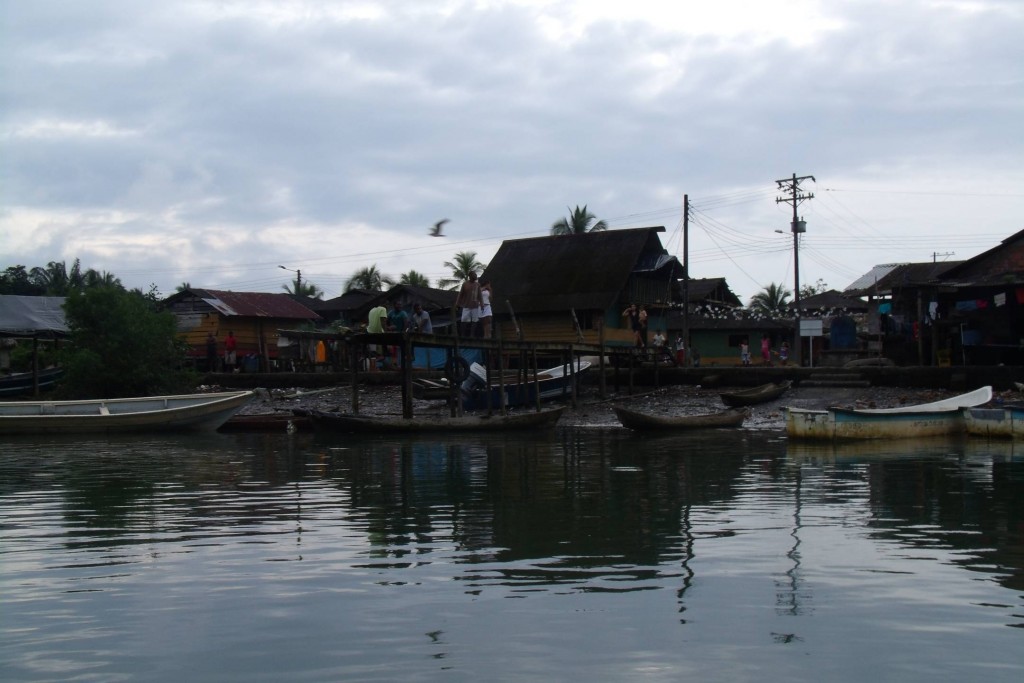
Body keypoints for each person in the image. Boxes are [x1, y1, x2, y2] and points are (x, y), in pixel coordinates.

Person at [455, 272, 481, 337]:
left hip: (475, 306)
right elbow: (460, 294)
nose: (476, 276)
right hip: (466, 305)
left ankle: (472, 335)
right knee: (464, 320)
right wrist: (457, 304)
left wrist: (482, 304)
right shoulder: (465, 284)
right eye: (475, 275)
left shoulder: (478, 284)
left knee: (474, 321)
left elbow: (480, 295)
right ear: (470, 276)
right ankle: (462, 335)